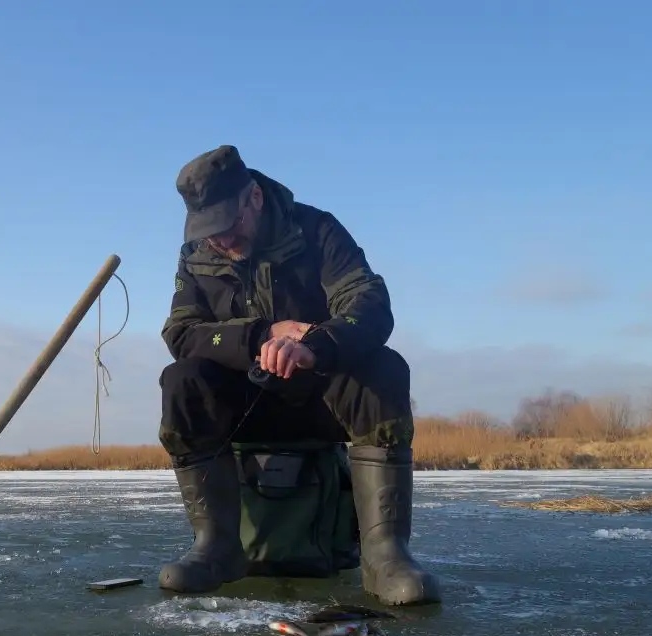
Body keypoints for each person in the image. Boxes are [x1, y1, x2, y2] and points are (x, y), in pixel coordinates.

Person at [157, 145, 441, 606]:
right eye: (209, 234)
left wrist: (315, 346)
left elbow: (369, 303)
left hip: (322, 404)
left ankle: (385, 555)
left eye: (229, 227)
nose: (222, 242)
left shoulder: (318, 230)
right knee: (182, 380)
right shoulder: (196, 258)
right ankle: (216, 548)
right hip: (244, 407)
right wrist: (260, 336)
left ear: (254, 198)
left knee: (384, 368)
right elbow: (182, 333)